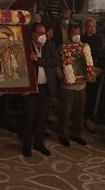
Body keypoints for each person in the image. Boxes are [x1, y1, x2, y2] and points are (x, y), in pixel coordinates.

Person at [21, 23, 58, 157]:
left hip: (45, 88)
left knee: (42, 117)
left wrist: (39, 60)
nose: (44, 36)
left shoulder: (49, 45)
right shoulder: (25, 46)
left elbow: (55, 62)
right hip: (31, 88)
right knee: (28, 117)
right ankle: (27, 145)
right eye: (40, 33)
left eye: (44, 33)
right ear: (33, 34)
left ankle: (39, 143)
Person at [57, 25, 96, 147]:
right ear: (69, 34)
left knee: (79, 111)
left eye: (78, 32)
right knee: (65, 112)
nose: (76, 35)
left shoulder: (85, 47)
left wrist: (91, 73)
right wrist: (62, 77)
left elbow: (89, 64)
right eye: (74, 32)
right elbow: (57, 67)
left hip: (82, 86)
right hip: (67, 87)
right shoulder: (63, 47)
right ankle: (63, 134)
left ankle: (77, 134)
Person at [81, 18, 104, 132]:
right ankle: (82, 117)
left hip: (96, 71)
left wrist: (100, 68)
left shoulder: (98, 39)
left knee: (93, 95)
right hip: (84, 72)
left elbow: (101, 54)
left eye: (94, 26)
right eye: (90, 26)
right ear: (85, 27)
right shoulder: (81, 39)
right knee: (85, 95)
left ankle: (89, 117)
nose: (92, 28)